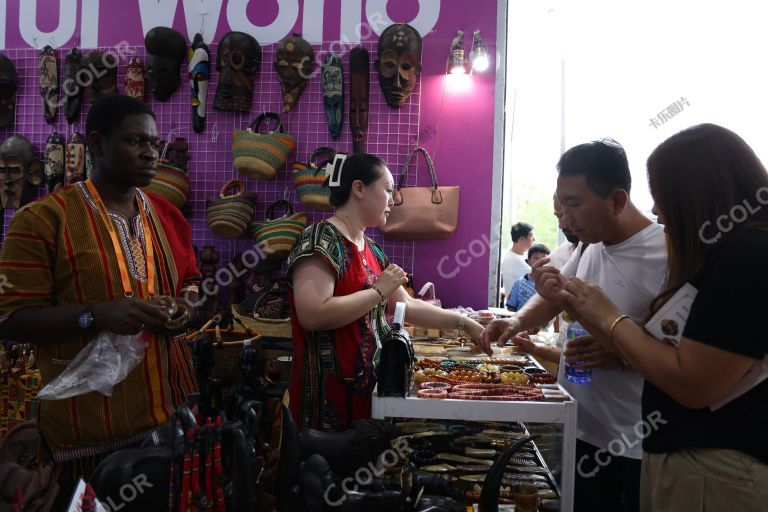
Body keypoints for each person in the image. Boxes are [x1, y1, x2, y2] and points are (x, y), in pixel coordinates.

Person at [0, 95, 200, 502]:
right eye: (135, 142)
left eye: (155, 144)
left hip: (165, 417)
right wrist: (97, 315)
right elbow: (11, 318)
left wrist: (184, 309)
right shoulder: (41, 220)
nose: (150, 153)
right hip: (84, 432)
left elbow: (191, 287)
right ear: (96, 143)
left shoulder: (167, 215)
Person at [559, 124, 768, 511]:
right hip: (688, 460)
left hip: (718, 468)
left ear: (698, 192)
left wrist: (611, 321)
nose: (656, 210)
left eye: (663, 195)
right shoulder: (726, 253)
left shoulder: (749, 256)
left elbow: (692, 382)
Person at [483, 139, 667, 512]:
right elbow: (552, 295)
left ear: (616, 200)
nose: (565, 218)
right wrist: (515, 321)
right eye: (560, 204)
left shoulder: (666, 253)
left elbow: (680, 357)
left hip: (632, 440)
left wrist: (621, 355)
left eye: (574, 204)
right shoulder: (589, 244)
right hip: (578, 422)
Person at [288, 153, 486, 431]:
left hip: (368, 391)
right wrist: (378, 291)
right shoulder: (320, 240)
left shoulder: (371, 249)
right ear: (358, 188)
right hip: (327, 401)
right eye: (388, 190)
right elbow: (312, 314)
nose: (392, 201)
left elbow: (406, 306)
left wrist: (466, 324)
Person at [506, 243, 550, 312]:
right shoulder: (519, 283)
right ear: (528, 261)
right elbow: (511, 308)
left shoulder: (549, 283)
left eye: (544, 259)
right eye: (536, 258)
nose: (540, 261)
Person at [501, 222, 535, 295]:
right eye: (531, 236)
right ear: (522, 239)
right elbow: (538, 277)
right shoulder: (514, 260)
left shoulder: (517, 256)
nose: (534, 239)